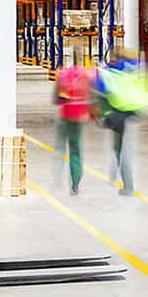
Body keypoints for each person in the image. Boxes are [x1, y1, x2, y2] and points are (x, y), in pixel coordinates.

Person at [94, 49, 148, 196]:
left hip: (118, 112)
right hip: (136, 110)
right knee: (120, 144)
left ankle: (127, 186)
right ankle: (113, 173)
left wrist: (101, 115)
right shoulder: (139, 69)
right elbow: (146, 88)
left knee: (122, 150)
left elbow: (100, 91)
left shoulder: (110, 71)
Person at [53, 55, 94, 195]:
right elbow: (92, 96)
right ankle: (75, 183)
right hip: (79, 118)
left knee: (60, 147)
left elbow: (56, 100)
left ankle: (57, 175)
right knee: (75, 149)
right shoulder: (87, 76)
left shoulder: (63, 75)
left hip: (66, 116)